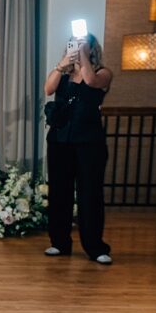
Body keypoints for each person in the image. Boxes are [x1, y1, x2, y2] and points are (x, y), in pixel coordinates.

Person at [44, 33, 113, 264]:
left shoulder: (103, 73)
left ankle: (95, 246)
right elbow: (48, 89)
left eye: (82, 42)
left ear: (92, 48)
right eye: (72, 42)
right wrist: (60, 66)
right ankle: (59, 242)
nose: (76, 45)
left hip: (89, 143)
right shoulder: (64, 75)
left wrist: (82, 54)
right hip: (60, 141)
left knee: (90, 194)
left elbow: (91, 81)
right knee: (59, 193)